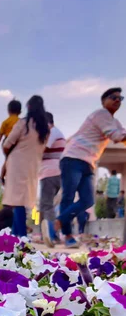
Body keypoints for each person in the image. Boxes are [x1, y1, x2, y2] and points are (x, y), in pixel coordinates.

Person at [56, 87, 126, 247]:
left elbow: (121, 134)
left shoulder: (114, 122)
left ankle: (58, 222)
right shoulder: (100, 114)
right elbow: (116, 135)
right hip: (73, 158)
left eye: (120, 98)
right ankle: (67, 236)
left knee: (87, 200)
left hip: (88, 163)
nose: (117, 100)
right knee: (68, 196)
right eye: (113, 97)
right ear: (103, 101)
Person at [2, 95, 50, 237]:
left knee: (17, 201)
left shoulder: (24, 123)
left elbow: (7, 144)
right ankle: (16, 236)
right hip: (33, 165)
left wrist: (8, 155)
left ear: (28, 107)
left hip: (17, 164)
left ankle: (20, 237)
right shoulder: (45, 128)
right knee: (22, 201)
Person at [39, 112, 66, 247]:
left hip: (50, 172)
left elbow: (43, 149)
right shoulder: (57, 132)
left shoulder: (53, 131)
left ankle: (51, 234)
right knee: (49, 205)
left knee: (46, 205)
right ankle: (51, 234)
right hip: (54, 172)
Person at [0, 100, 22, 184]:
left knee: (7, 159)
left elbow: (0, 135)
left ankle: (2, 176)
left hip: (6, 141)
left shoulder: (5, 122)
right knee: (16, 160)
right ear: (20, 112)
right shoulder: (21, 121)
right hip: (17, 142)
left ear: (8, 111)